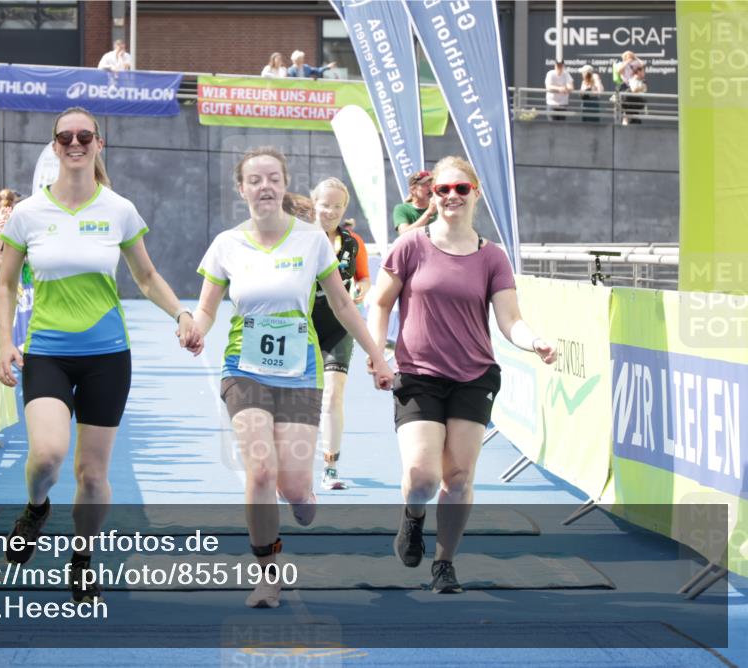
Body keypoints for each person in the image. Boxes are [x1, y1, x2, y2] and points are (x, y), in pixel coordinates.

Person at [0, 106, 202, 604]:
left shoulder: (119, 209)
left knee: (92, 474)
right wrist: (4, 342)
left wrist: (182, 314)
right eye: (64, 135)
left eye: (83, 134)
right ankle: (36, 507)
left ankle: (83, 557)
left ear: (98, 143)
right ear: (54, 145)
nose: (74, 142)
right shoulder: (27, 213)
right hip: (47, 352)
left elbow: (147, 277)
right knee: (46, 457)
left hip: (108, 355)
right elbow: (3, 284)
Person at [192, 146, 393, 609]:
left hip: (300, 373)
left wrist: (378, 357)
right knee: (260, 469)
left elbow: (343, 304)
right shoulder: (226, 243)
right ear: (241, 188)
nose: (265, 186)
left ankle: (304, 494)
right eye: (255, 179)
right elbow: (206, 309)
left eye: (273, 178)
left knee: (296, 491)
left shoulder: (311, 240)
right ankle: (268, 574)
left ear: (284, 186)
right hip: (244, 369)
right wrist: (194, 329)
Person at [367, 155, 557, 594]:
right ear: (432, 196)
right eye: (442, 190)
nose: (451, 196)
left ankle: (444, 563)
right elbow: (379, 303)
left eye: (460, 189)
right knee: (423, 476)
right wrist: (378, 353)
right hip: (418, 374)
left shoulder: (492, 257)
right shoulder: (410, 246)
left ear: (475, 193)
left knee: (458, 478)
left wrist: (535, 341)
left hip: (474, 375)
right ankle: (413, 518)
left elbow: (510, 318)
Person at [309, 178, 371, 491]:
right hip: (301, 326)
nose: (330, 211)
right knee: (302, 398)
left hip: (339, 326)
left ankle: (330, 465)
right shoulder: (298, 238)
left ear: (344, 208)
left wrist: (362, 288)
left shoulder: (352, 242)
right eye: (325, 204)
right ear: (313, 204)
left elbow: (363, 277)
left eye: (337, 206)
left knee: (333, 393)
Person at [392, 170, 437, 235]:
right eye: (425, 185)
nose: (430, 188)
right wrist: (429, 213)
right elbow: (404, 234)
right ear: (413, 190)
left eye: (431, 185)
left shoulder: (438, 208)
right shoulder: (402, 209)